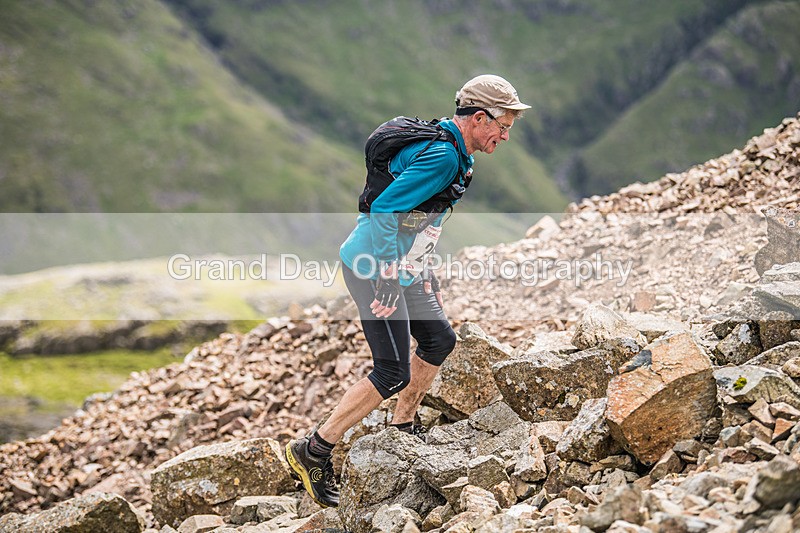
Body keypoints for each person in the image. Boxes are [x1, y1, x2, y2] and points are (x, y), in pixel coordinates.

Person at [285, 74, 531, 508]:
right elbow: (385, 208)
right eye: (502, 126)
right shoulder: (444, 156)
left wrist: (419, 269)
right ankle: (315, 449)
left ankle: (403, 423)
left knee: (439, 339)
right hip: (371, 265)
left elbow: (422, 216)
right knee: (391, 370)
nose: (505, 137)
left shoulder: (458, 152)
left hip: (400, 266)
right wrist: (385, 275)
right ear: (478, 118)